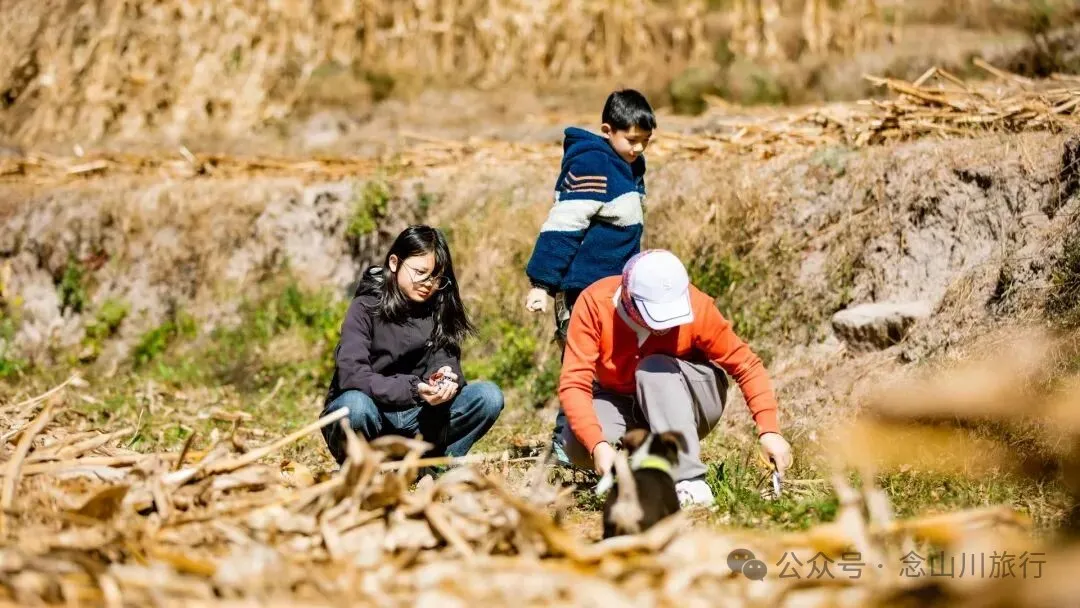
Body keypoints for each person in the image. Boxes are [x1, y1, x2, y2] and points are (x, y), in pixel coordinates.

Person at [558, 249, 793, 506]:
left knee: (653, 367)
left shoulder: (698, 305)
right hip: (625, 402)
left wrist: (769, 430)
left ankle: (691, 484)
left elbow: (746, 365)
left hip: (692, 397)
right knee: (577, 442)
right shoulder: (594, 304)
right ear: (628, 299)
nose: (665, 328)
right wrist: (598, 446)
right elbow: (575, 382)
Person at [523, 89, 656, 464]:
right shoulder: (591, 166)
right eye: (632, 140)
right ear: (607, 130)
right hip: (580, 289)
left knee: (607, 366)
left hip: (613, 289)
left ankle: (598, 439)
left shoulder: (629, 167)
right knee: (579, 365)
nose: (638, 149)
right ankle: (565, 447)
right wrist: (543, 284)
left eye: (645, 142)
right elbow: (563, 226)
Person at [320, 225, 504, 469]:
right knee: (353, 407)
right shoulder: (365, 306)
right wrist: (413, 388)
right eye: (420, 272)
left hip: (420, 418)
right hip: (374, 413)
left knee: (488, 397)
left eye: (436, 277)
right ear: (395, 263)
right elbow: (353, 375)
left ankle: (431, 466)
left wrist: (445, 380)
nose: (429, 283)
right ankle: (362, 469)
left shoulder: (439, 307)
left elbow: (446, 359)